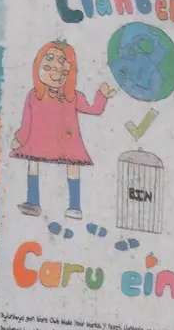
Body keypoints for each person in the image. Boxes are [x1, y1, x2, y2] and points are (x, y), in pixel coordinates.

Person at [11, 40, 115, 220]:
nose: (55, 73)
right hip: (38, 141)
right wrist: (20, 139)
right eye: (48, 66)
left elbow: (94, 109)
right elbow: (27, 122)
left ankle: (74, 206)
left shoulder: (72, 97)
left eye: (62, 71)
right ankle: (33, 202)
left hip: (67, 142)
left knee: (73, 165)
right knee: (33, 162)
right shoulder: (34, 96)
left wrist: (102, 96)